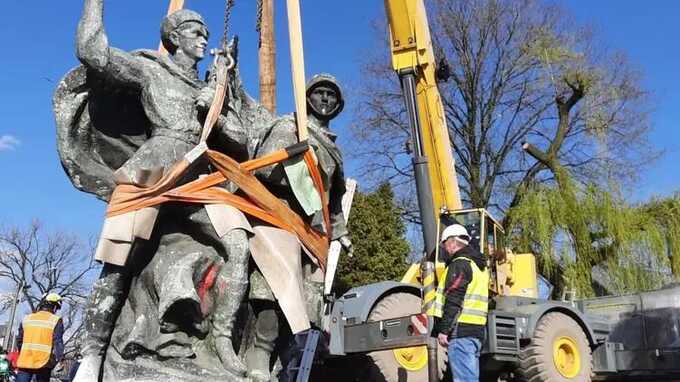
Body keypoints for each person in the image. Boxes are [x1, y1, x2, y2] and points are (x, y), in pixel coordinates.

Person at [72, 1, 255, 379]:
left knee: (237, 242)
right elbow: (94, 53)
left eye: (206, 34)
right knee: (120, 256)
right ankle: (92, 354)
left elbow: (241, 141)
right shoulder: (150, 70)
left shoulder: (211, 86)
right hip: (153, 166)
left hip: (199, 175)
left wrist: (216, 111)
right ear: (174, 38)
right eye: (196, 33)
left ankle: (221, 341)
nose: (204, 40)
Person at [434, 224, 489, 381]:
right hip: (476, 332)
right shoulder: (479, 267)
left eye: (444, 244)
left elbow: (454, 298)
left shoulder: (459, 264)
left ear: (452, 242)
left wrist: (444, 329)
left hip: (461, 331)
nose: (444, 249)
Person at [15, 293, 65, 382]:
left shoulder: (27, 319)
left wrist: (22, 353)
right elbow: (58, 342)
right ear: (54, 307)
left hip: (25, 360)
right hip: (44, 362)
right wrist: (60, 359)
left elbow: (19, 340)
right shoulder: (56, 320)